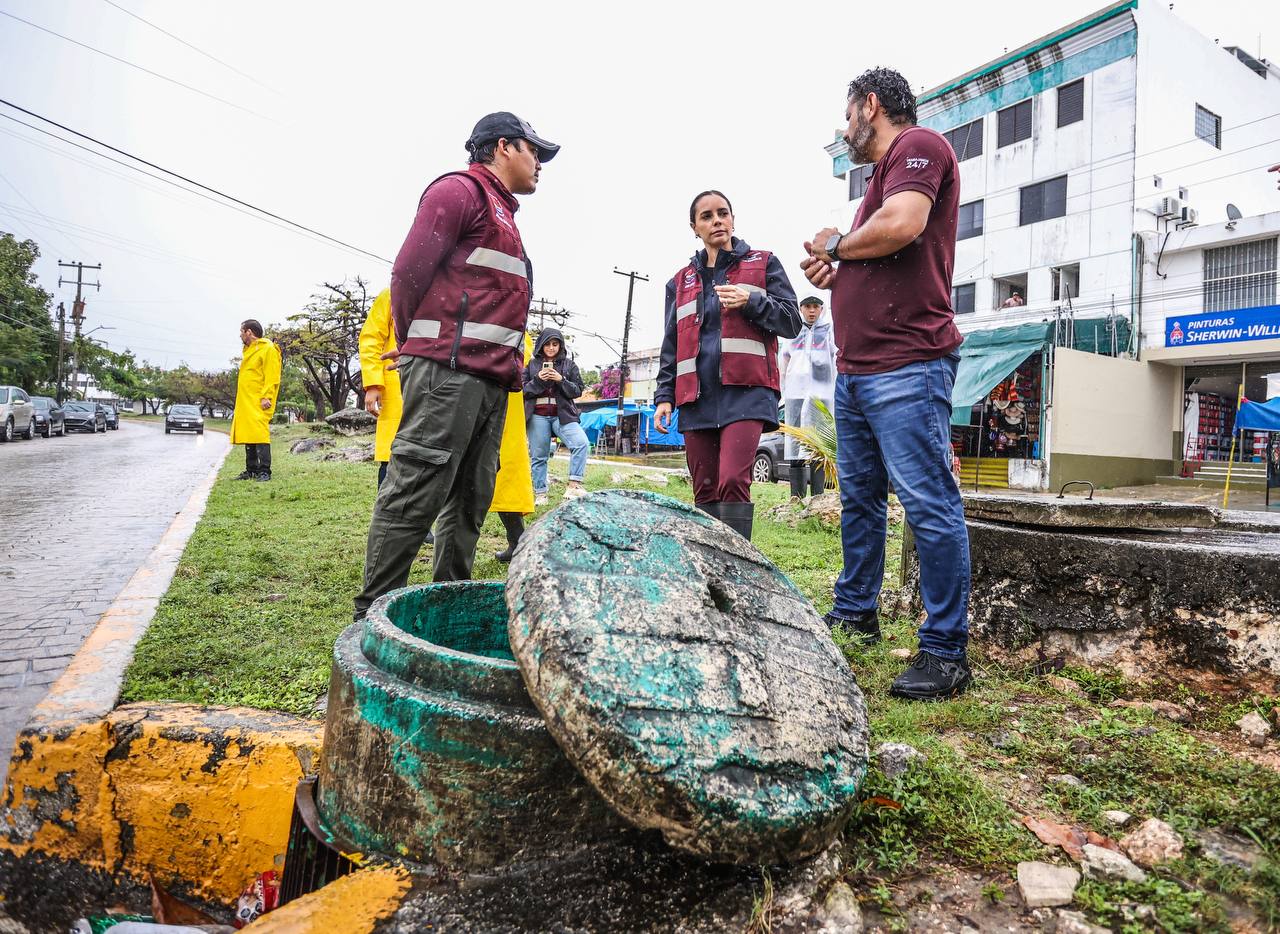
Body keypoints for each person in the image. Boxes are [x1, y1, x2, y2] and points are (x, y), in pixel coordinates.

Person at [801, 67, 971, 701]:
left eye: (848, 114)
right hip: (859, 369)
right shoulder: (877, 179)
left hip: (908, 364)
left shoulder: (919, 145)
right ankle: (856, 614)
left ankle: (946, 652)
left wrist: (838, 245)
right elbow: (875, 249)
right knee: (862, 501)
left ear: (869, 105)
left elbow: (902, 226)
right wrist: (837, 267)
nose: (845, 127)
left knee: (928, 504)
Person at [353, 112, 558, 621]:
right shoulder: (459, 191)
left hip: (490, 380)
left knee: (471, 499)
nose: (539, 163)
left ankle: (446, 608)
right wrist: (419, 344)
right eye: (534, 151)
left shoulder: (503, 212)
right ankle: (372, 615)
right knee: (415, 491)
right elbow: (408, 273)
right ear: (504, 146)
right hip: (448, 374)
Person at [654, 190, 800, 539]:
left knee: (733, 480)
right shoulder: (679, 282)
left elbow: (792, 321)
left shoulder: (764, 263)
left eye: (723, 213)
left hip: (747, 392)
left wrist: (752, 301)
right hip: (696, 397)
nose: (716, 220)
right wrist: (664, 396)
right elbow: (671, 344)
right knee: (704, 488)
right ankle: (710, 562)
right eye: (706, 216)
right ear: (694, 227)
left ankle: (736, 563)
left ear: (733, 219)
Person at [523, 327, 589, 505]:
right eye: (547, 344)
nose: (551, 348)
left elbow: (577, 391)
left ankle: (574, 485)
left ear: (560, 345)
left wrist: (561, 380)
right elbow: (522, 390)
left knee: (581, 443)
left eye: (555, 344)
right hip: (537, 415)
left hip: (563, 415)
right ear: (541, 346)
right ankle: (540, 494)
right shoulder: (531, 365)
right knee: (539, 456)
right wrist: (538, 380)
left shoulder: (569, 365)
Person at [780, 296, 837, 499]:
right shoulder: (793, 330)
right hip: (795, 395)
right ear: (801, 309)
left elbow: (835, 357)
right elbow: (784, 360)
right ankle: (796, 497)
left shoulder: (828, 331)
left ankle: (817, 497)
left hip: (821, 397)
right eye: (807, 307)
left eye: (815, 307)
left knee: (818, 447)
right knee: (795, 445)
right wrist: (784, 389)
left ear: (821, 309)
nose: (811, 311)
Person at [493, 333, 537, 562]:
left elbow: (523, 357)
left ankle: (517, 541)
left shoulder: (516, 328)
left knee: (507, 473)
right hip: (485, 391)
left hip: (503, 396)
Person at [229, 319, 281, 482]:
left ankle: (265, 471)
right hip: (246, 400)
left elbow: (272, 375)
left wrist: (267, 396)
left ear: (249, 332)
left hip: (259, 399)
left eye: (241, 331)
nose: (240, 335)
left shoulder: (268, 348)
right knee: (249, 432)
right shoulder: (249, 350)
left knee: (260, 433)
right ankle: (251, 469)